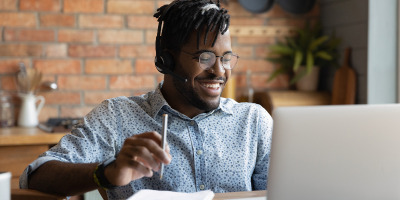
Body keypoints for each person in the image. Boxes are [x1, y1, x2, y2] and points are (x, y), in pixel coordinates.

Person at [20, 0, 273, 199]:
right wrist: (108, 172)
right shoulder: (117, 116)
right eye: (204, 57)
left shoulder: (254, 121)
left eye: (226, 58)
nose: (219, 72)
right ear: (167, 60)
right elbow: (36, 175)